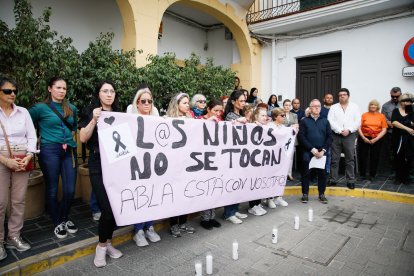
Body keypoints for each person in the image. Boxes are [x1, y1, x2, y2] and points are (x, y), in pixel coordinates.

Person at [79, 80, 123, 267]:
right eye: (105, 91)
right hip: (98, 163)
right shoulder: (92, 112)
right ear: (98, 94)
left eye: (112, 91)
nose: (109, 94)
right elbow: (83, 137)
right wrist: (94, 119)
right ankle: (101, 246)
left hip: (117, 164)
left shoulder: (120, 114)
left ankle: (108, 243)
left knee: (115, 208)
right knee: (107, 209)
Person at [29, 77, 78, 239]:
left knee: (70, 189)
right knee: (52, 188)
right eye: (58, 87)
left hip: (68, 150)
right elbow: (25, 124)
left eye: (64, 88)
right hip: (49, 150)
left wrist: (67, 140)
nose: (62, 91)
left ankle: (64, 218)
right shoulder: (39, 108)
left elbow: (74, 127)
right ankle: (57, 222)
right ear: (50, 89)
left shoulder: (71, 108)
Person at [0, 77, 36, 260]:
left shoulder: (23, 112)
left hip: (22, 159)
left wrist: (29, 155)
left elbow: (32, 136)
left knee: (18, 200)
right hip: (1, 159)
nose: (12, 94)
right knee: (0, 202)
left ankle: (14, 235)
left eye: (14, 91)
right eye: (8, 91)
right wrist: (6, 161)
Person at [127, 86, 161, 246]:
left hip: (153, 164)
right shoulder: (130, 121)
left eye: (150, 101)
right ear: (137, 103)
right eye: (143, 101)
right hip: (137, 166)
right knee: (140, 196)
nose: (147, 104)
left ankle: (149, 226)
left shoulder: (157, 120)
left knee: (152, 195)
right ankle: (138, 230)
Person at [166, 92, 196, 237]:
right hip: (174, 164)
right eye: (184, 102)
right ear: (177, 104)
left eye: (188, 102)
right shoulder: (168, 120)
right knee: (175, 195)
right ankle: (173, 224)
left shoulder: (191, 119)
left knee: (187, 194)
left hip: (188, 163)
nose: (187, 105)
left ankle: (183, 222)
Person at [298, 99, 332, 204]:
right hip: (308, 151)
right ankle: (305, 194)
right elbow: (301, 137)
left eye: (319, 106)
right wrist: (312, 150)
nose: (317, 108)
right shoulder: (304, 121)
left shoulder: (325, 121)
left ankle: (321, 194)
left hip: (322, 152)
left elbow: (329, 137)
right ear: (310, 108)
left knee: (322, 174)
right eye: (314, 106)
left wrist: (323, 150)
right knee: (306, 173)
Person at [223, 90, 248, 224]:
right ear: (234, 102)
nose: (244, 103)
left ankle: (235, 209)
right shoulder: (229, 116)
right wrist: (238, 121)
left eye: (245, 101)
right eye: (242, 101)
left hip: (241, 155)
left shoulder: (242, 114)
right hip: (231, 156)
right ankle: (228, 213)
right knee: (232, 183)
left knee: (239, 183)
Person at [196, 99, 223, 230]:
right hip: (203, 160)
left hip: (215, 159)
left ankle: (212, 217)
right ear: (208, 110)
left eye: (220, 111)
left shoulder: (220, 121)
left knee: (214, 189)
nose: (218, 113)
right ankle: (205, 218)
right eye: (215, 110)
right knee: (206, 190)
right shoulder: (200, 119)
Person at [327, 88, 361, 189]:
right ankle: (333, 179)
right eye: (340, 95)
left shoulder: (355, 107)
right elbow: (330, 121)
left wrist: (349, 130)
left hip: (350, 136)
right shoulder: (333, 107)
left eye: (344, 94)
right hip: (336, 135)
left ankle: (350, 180)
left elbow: (358, 121)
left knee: (350, 159)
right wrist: (339, 130)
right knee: (334, 159)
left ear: (348, 96)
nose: (342, 96)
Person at [357, 100, 387, 182]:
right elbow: (358, 127)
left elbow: (384, 129)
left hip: (377, 138)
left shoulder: (382, 116)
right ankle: (362, 175)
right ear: (369, 106)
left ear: (378, 106)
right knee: (363, 156)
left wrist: (376, 139)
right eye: (371, 104)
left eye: (374, 105)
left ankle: (372, 175)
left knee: (375, 157)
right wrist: (363, 138)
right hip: (364, 137)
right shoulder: (364, 115)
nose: (373, 106)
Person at [247, 107, 268, 216]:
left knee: (260, 183)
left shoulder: (266, 127)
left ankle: (258, 203)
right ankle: (252, 206)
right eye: (262, 115)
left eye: (266, 115)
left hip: (262, 161)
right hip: (253, 161)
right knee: (254, 183)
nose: (265, 117)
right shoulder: (252, 127)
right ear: (256, 117)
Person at [266, 108, 289, 209]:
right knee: (271, 176)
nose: (284, 117)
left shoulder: (283, 127)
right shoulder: (269, 126)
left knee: (280, 176)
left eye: (284, 115)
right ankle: (269, 198)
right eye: (282, 115)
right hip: (271, 155)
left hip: (281, 155)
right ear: (275, 116)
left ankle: (278, 197)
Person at [391, 93, 414, 185]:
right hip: (397, 138)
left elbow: (412, 123)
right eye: (404, 101)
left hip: (409, 139)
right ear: (401, 102)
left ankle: (406, 177)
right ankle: (398, 177)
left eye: (408, 101)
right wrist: (407, 127)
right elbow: (394, 122)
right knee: (398, 157)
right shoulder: (396, 111)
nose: (406, 103)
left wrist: (406, 123)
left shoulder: (411, 111)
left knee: (408, 158)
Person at [381, 87, 401, 176]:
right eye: (393, 96)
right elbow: (383, 118)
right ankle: (393, 171)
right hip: (390, 133)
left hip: (402, 133)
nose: (395, 98)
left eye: (397, 96)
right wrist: (389, 122)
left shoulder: (405, 104)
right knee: (391, 152)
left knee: (403, 152)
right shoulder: (385, 105)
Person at [282, 99, 299, 181]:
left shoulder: (294, 115)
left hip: (292, 139)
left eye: (289, 105)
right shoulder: (280, 114)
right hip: (282, 139)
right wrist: (290, 126)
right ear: (283, 106)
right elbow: (280, 126)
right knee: (282, 157)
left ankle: (289, 174)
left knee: (291, 157)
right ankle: (282, 174)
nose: (287, 107)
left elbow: (296, 126)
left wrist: (290, 126)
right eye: (286, 105)